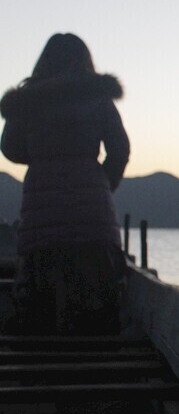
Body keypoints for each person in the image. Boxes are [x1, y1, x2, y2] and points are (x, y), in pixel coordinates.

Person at [0, 33, 130, 335]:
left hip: (40, 215)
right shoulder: (97, 96)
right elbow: (120, 149)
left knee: (40, 308)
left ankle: (41, 368)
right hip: (93, 218)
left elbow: (9, 148)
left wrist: (42, 158)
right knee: (97, 309)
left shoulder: (28, 99)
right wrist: (100, 186)